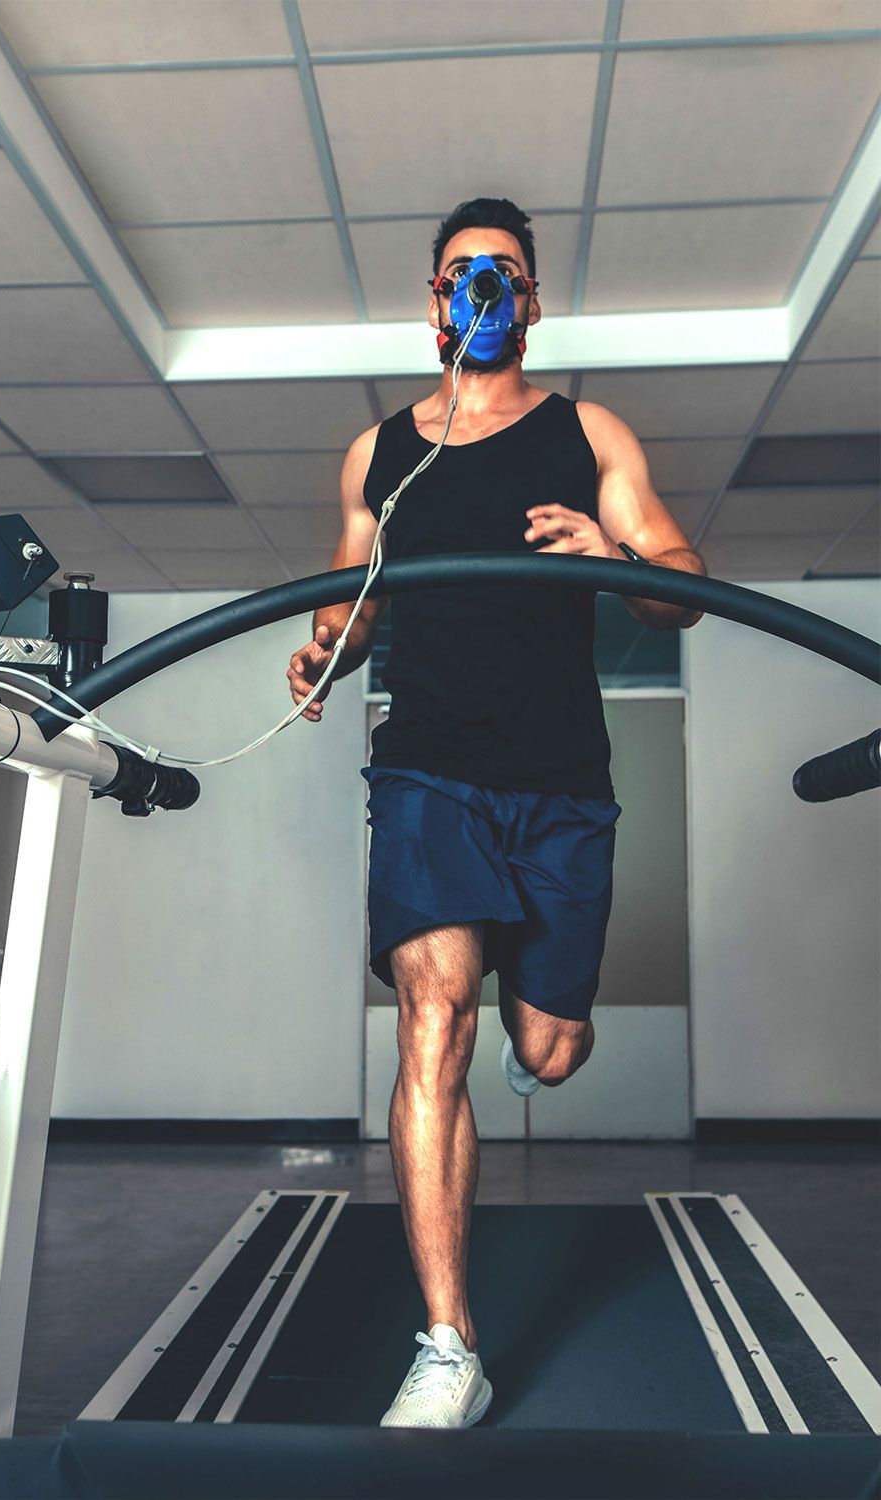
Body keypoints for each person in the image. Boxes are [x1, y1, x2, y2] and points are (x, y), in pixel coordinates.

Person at [286, 197, 706, 1429]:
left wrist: (608, 554)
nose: (482, 291)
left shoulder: (591, 433)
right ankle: (448, 1346)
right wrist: (323, 653)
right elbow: (353, 611)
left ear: (531, 305)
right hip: (427, 770)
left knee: (546, 1052)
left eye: (504, 276)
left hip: (565, 783)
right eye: (461, 274)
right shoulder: (376, 455)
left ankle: (545, 1009)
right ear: (433, 305)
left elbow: (681, 591)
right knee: (434, 1025)